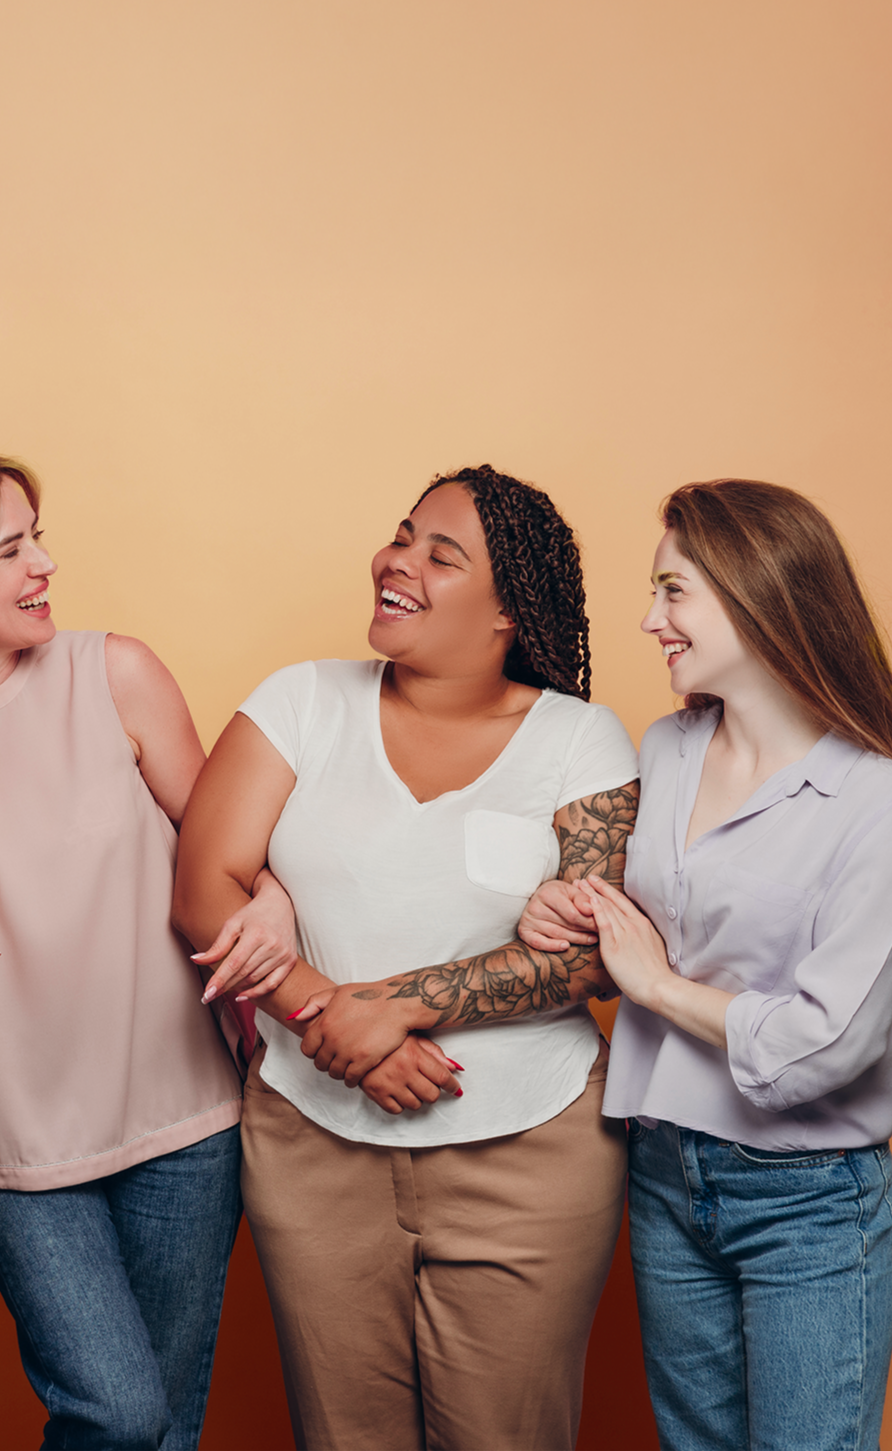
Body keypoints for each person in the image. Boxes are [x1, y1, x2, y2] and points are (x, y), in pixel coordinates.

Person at [172, 464, 641, 1451]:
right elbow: (202, 885)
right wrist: (329, 1017)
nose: (398, 561)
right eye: (401, 535)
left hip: (531, 1153)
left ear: (508, 605)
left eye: (442, 553)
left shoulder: (579, 739)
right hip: (313, 1148)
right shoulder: (302, 701)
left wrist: (396, 1001)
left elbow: (590, 959)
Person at [0, 442, 292, 1451]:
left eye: (37, 540)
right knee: (118, 1411)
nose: (42, 565)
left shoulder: (115, 672)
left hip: (182, 1116)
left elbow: (226, 848)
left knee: (165, 1426)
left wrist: (274, 906)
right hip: (6, 1139)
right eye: (11, 549)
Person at [518, 479, 892, 1451]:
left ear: (755, 593)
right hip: (667, 1168)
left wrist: (658, 987)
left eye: (673, 592)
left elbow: (824, 1043)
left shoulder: (873, 799)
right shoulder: (668, 748)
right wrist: (583, 912)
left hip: (805, 1195)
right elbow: (675, 929)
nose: (649, 619)